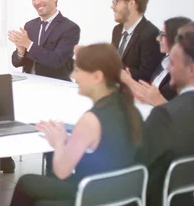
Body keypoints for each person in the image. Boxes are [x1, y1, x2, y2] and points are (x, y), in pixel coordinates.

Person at [10, 43, 143, 206]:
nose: (73, 75)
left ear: (97, 77)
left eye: (78, 70)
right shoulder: (130, 109)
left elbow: (61, 172)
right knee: (27, 184)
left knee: (30, 188)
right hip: (118, 194)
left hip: (91, 194)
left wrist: (59, 142)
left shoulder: (91, 120)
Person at [139, 29, 194, 205]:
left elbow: (136, 167)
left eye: (172, 63)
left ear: (192, 70)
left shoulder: (166, 116)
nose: (167, 68)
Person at [9, 0, 80, 82]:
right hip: (29, 84)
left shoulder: (70, 28)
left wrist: (28, 44)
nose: (37, 2)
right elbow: (16, 63)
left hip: (55, 87)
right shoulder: (30, 25)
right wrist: (20, 51)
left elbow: (57, 61)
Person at [122, 17, 191, 106]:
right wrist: (130, 82)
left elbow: (172, 107)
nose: (158, 39)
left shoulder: (182, 72)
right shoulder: (164, 62)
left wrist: (129, 81)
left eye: (162, 35)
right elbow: (151, 93)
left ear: (174, 37)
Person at [110, 0, 163, 82]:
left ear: (131, 3)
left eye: (116, 1)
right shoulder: (117, 30)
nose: (112, 6)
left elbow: (148, 74)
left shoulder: (151, 34)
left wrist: (114, 70)